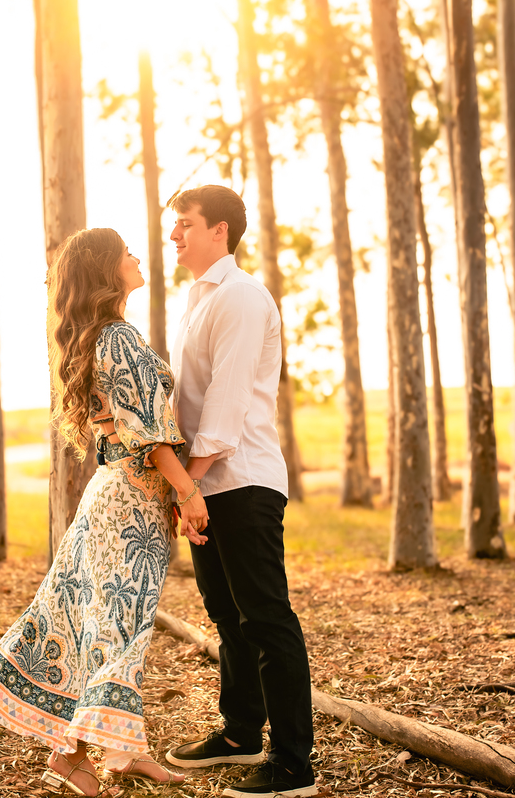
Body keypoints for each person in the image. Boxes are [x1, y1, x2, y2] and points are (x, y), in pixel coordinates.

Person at [0, 227, 209, 797]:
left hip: (113, 497)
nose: (136, 256)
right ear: (107, 270)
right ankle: (86, 756)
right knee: (118, 625)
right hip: (129, 503)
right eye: (125, 251)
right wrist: (188, 493)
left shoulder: (97, 338)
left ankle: (97, 756)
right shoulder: (118, 338)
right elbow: (148, 435)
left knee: (94, 621)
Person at [163, 185, 318, 798]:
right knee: (227, 614)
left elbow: (224, 409)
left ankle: (291, 764)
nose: (174, 235)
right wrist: (185, 486)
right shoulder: (196, 301)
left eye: (185, 224)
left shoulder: (243, 298)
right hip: (207, 483)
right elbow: (186, 402)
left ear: (219, 230)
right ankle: (240, 734)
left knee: (265, 616)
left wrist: (187, 487)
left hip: (244, 480)